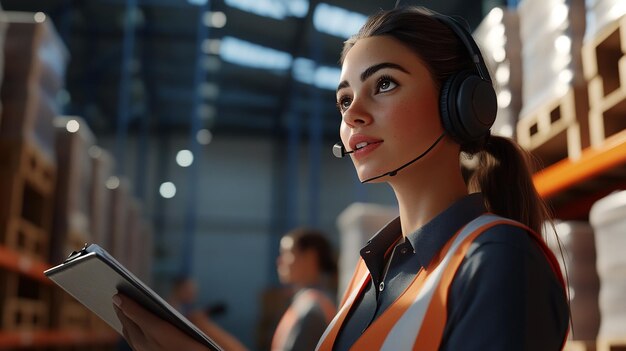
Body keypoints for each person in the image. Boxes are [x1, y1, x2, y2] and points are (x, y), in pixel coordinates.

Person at [113, 5, 570, 350]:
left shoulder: (499, 261)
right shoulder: (370, 273)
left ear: (464, 105)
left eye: (384, 84)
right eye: (344, 99)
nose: (354, 114)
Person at [113, 228, 337, 351]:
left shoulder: (311, 310)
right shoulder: (306, 305)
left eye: (287, 253)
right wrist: (206, 329)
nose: (279, 261)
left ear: (310, 257)